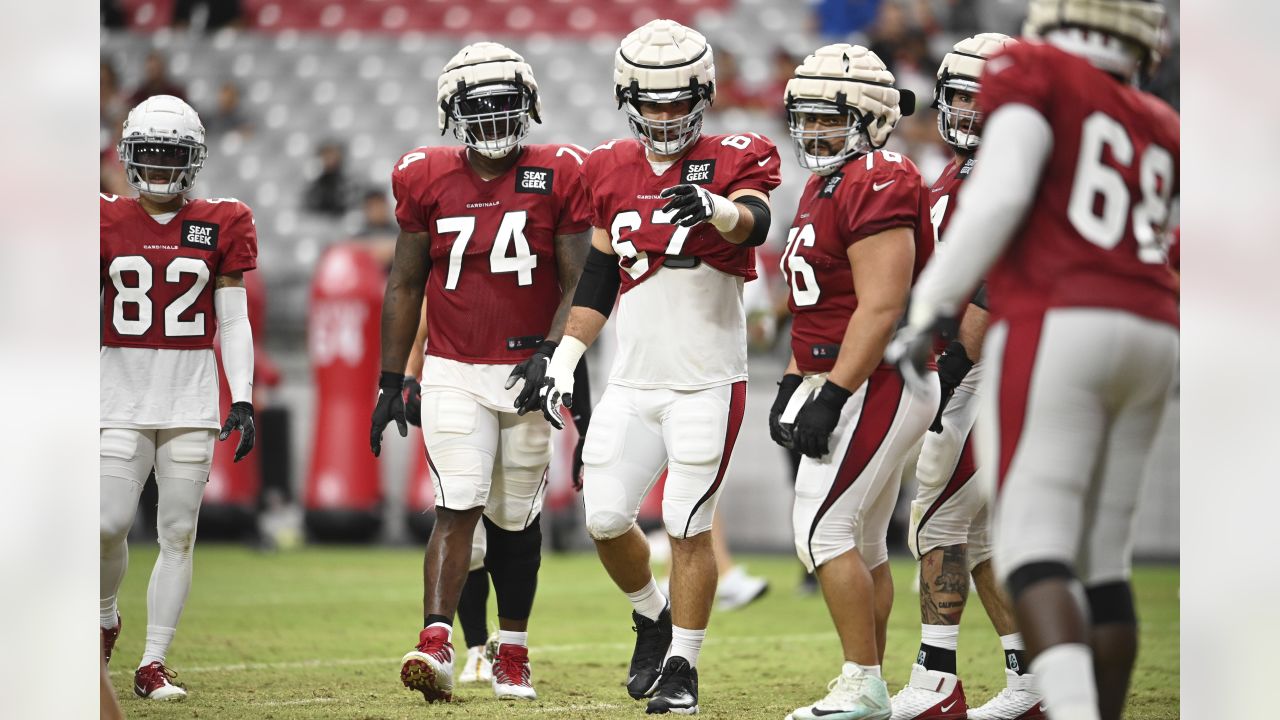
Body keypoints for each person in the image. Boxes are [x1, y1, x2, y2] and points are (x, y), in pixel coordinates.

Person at [890, 3, 1179, 719]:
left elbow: (1005, 201)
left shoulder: (1037, 75)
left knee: (1027, 541)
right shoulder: (1161, 120)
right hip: (1152, 326)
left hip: (1052, 325)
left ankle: (982, 685)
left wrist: (930, 311)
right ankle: (1047, 690)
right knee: (1103, 557)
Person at [534, 19, 781, 714]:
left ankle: (683, 668)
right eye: (655, 100)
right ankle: (652, 616)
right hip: (633, 381)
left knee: (686, 522)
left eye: (680, 100)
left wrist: (718, 209)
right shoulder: (609, 166)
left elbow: (756, 222)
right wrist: (567, 355)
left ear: (702, 94)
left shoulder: (736, 154)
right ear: (629, 96)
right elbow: (600, 275)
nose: (667, 114)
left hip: (707, 379)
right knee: (605, 518)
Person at [367, 41, 592, 703]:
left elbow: (578, 277)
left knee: (515, 519)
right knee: (457, 498)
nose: (494, 119)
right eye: (480, 107)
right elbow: (406, 284)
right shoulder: (423, 175)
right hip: (454, 369)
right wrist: (389, 380)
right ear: (452, 111)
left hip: (527, 370)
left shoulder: (561, 170)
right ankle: (435, 643)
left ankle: (512, 651)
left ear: (529, 106)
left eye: (505, 105)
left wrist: (554, 353)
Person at [766, 44, 935, 720]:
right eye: (803, 118)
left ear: (870, 118)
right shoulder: (823, 184)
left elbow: (883, 304)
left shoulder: (880, 174)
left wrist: (832, 392)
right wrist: (790, 381)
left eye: (826, 119)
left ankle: (863, 681)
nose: (812, 132)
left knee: (820, 531)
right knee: (861, 541)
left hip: (876, 373)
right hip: (844, 370)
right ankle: (867, 681)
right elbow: (816, 306)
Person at [888, 32, 1046, 720]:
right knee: (975, 535)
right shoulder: (950, 177)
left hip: (995, 366)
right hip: (972, 364)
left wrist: (953, 364)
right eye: (961, 98)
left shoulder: (1019, 176)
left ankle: (937, 679)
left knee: (934, 522)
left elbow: (995, 282)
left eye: (989, 101)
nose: (971, 113)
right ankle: (1032, 679)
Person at [100, 95, 258, 700]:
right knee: (108, 525)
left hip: (191, 401)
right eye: (152, 155)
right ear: (130, 157)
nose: (162, 168)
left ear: (193, 159)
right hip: (117, 394)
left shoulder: (223, 219)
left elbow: (234, 320)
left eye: (173, 155)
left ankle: (153, 660)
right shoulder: (102, 218)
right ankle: (106, 614)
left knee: (177, 532)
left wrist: (239, 397)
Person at [302, 140, 355, 217]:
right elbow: (308, 210)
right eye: (326, 155)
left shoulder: (350, 184)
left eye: (333, 155)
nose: (330, 160)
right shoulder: (313, 188)